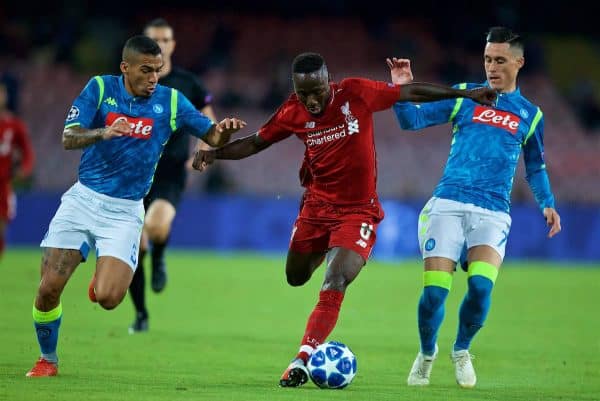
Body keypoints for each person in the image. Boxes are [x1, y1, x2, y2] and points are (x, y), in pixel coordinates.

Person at [191, 52, 497, 387]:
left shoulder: (355, 93)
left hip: (358, 211)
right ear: (295, 88)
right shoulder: (293, 111)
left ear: (328, 81)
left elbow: (410, 93)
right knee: (295, 276)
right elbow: (255, 143)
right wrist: (214, 154)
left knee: (334, 282)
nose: (312, 100)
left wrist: (466, 95)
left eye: (317, 91)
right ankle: (329, 248)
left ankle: (302, 358)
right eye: (304, 93)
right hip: (316, 209)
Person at [26, 35, 245, 377]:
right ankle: (47, 360)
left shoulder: (171, 102)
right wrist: (103, 132)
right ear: (125, 68)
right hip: (83, 200)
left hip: (126, 211)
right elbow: (69, 136)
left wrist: (224, 132)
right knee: (48, 290)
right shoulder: (99, 89)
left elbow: (213, 136)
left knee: (110, 299)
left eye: (157, 70)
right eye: (146, 70)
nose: (154, 78)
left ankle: (101, 278)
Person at [390, 27, 562, 388]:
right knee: (436, 292)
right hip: (449, 204)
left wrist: (547, 203)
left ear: (519, 62)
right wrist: (402, 90)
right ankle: (426, 353)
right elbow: (411, 121)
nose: (492, 67)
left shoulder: (531, 115)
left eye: (500, 60)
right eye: (487, 59)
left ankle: (461, 349)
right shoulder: (464, 96)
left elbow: (535, 166)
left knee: (481, 289)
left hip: (493, 211)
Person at [127, 18, 218, 334]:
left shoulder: (188, 83)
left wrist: (204, 148)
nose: (161, 45)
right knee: (134, 247)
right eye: (154, 40)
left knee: (155, 225)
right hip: (132, 175)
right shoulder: (127, 84)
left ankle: (160, 257)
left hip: (169, 174)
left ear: (173, 45)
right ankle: (140, 314)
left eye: (166, 40)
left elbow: (210, 123)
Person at [0, 80, 35, 260]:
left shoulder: (14, 125)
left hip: (4, 184)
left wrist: (24, 168)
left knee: (2, 227)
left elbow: (27, 152)